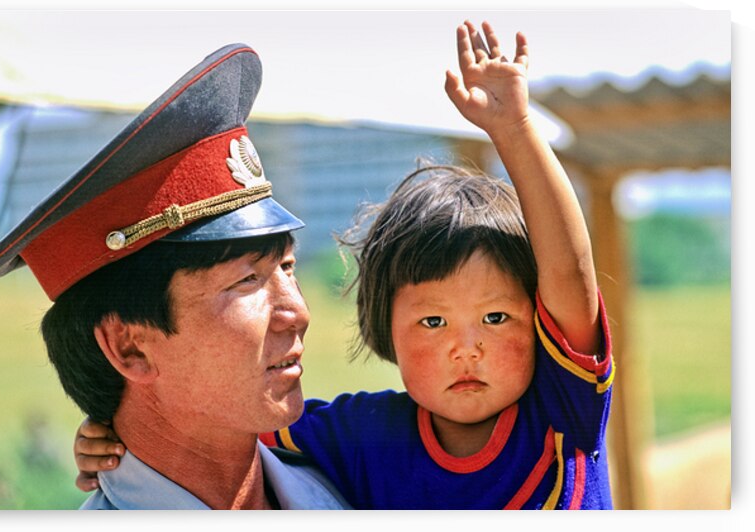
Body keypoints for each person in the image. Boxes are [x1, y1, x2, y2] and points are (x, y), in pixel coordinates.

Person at [73, 20, 615, 509]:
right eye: (432, 321)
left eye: (496, 318)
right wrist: (121, 440)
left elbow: (570, 273)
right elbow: (212, 420)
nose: (466, 347)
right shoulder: (361, 435)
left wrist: (515, 129)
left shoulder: (561, 411)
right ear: (386, 328)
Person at [0, 43, 351, 510]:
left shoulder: (355, 486)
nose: (297, 312)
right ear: (129, 346)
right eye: (247, 280)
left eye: (287, 267)